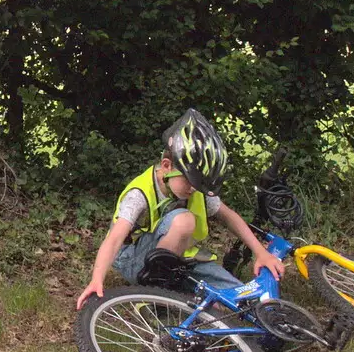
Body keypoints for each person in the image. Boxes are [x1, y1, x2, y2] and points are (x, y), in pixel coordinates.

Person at [76, 109, 284, 309]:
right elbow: (114, 238)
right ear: (166, 166)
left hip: (182, 259)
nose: (194, 189)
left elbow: (229, 216)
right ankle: (154, 293)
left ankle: (180, 287)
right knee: (184, 220)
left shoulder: (195, 189)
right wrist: (97, 279)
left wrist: (261, 252)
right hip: (136, 261)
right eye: (189, 181)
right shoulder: (138, 195)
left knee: (239, 295)